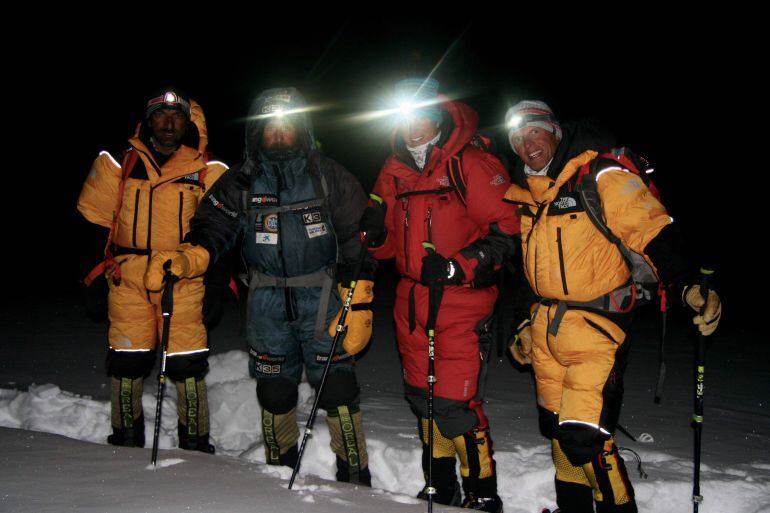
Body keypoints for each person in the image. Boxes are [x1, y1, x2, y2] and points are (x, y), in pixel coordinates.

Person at [144, 87, 375, 485]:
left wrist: (361, 298)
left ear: (301, 128)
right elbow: (212, 228)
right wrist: (188, 257)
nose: (279, 132)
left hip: (323, 296)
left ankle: (354, 474)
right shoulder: (242, 180)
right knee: (274, 389)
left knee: (337, 387)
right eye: (271, 126)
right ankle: (278, 466)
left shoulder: (327, 174)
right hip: (266, 299)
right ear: (257, 132)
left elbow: (357, 237)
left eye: (287, 125)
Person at [503, 100, 722, 513]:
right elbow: (529, 272)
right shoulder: (528, 197)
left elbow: (650, 229)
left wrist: (688, 285)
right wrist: (521, 326)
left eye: (535, 131)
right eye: (517, 138)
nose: (527, 143)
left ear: (555, 131)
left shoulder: (599, 174)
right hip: (546, 332)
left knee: (586, 439)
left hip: (598, 328)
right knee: (557, 433)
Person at [361, 78, 519, 512]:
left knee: (456, 404)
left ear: (437, 118)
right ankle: (441, 486)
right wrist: (373, 237)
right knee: (422, 398)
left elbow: (509, 229)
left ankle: (483, 494)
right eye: (404, 119)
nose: (413, 129)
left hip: (461, 300)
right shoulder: (393, 170)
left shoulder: (470, 164)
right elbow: (391, 247)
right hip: (411, 301)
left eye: (421, 118)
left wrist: (457, 264)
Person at [77, 87, 229, 452]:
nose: (168, 124)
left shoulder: (208, 171)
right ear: (147, 122)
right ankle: (125, 439)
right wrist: (91, 278)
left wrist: (218, 283)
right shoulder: (119, 163)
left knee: (187, 365)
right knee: (127, 362)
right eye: (160, 116)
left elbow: (224, 232)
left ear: (188, 124)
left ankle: (195, 443)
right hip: (127, 277)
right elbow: (93, 224)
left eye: (177, 117)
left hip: (185, 278)